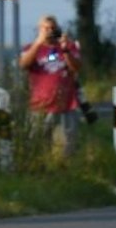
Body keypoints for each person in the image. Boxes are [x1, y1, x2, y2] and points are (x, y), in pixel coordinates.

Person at [19, 15, 84, 155]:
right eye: (46, 28)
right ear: (39, 29)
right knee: (38, 143)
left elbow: (77, 67)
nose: (49, 31)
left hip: (66, 103)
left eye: (52, 28)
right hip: (40, 104)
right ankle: (41, 169)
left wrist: (65, 50)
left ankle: (66, 169)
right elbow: (23, 64)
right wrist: (38, 43)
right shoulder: (30, 48)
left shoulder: (68, 46)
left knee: (68, 144)